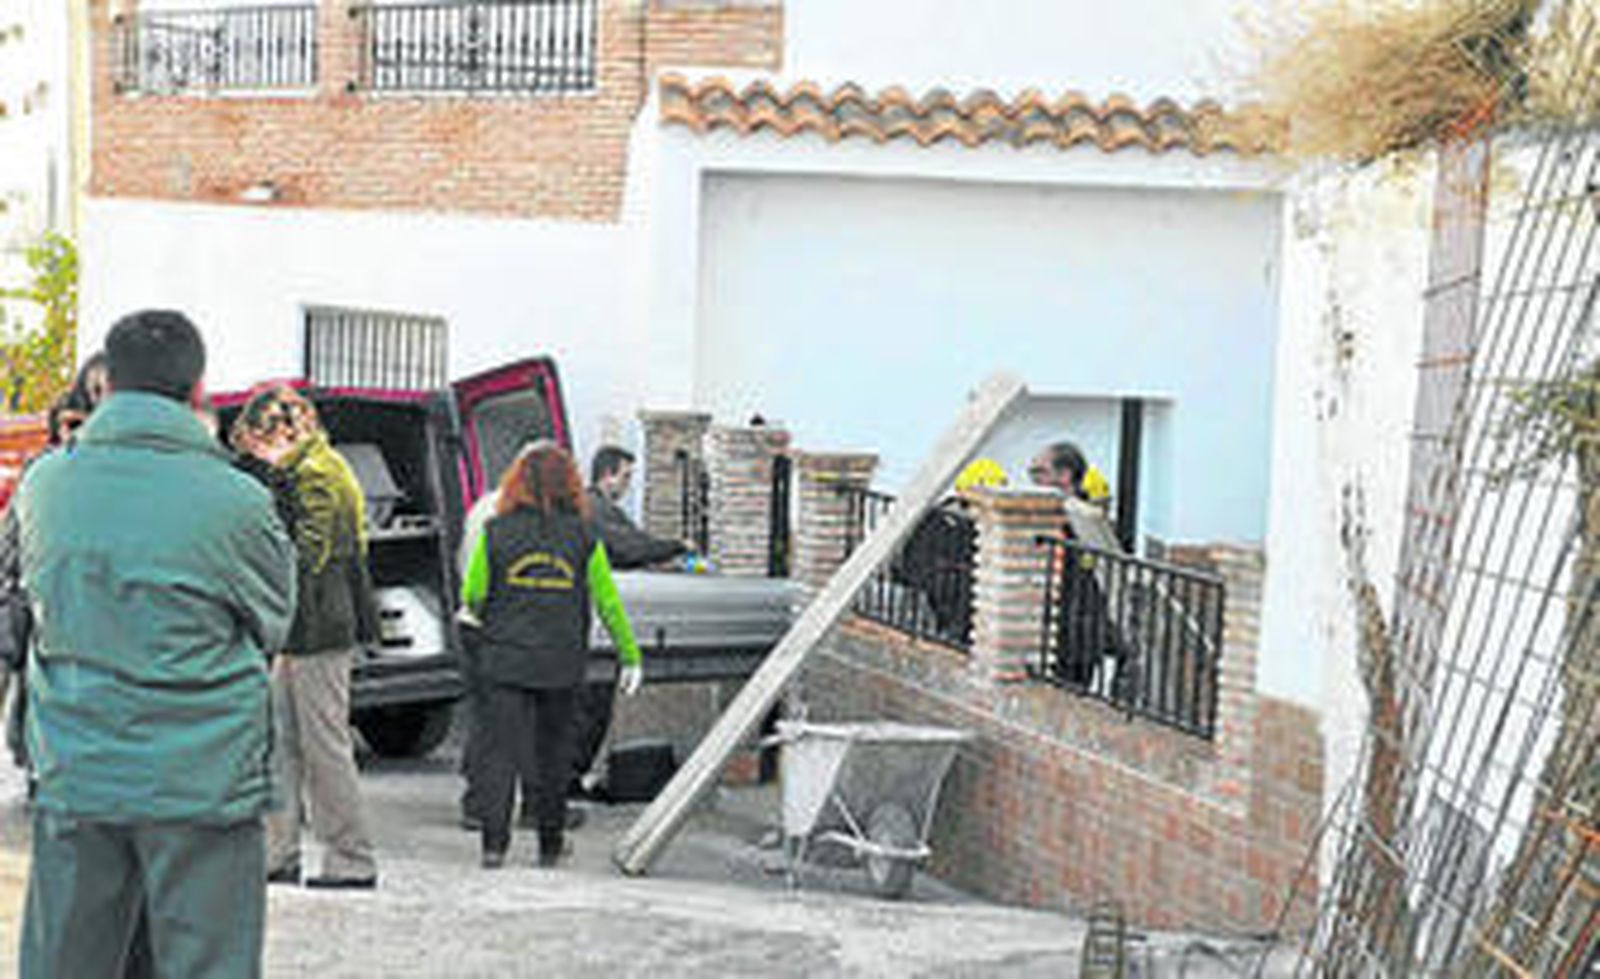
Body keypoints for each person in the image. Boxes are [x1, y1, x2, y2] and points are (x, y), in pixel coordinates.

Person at [14, 311, 296, 978]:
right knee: (207, 961)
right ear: (198, 392)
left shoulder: (47, 484)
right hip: (201, 777)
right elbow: (274, 620)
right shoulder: (236, 501)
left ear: (105, 384)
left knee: (65, 960)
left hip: (77, 766)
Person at [460, 441, 643, 868]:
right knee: (553, 755)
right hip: (561, 662)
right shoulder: (584, 535)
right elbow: (607, 601)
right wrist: (629, 656)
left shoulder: (495, 531)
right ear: (570, 485)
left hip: (504, 659)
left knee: (499, 754)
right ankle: (549, 845)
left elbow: (474, 592)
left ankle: (494, 847)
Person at [239, 386, 382, 890]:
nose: (254, 452)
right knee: (280, 740)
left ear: (280, 431)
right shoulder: (307, 469)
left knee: (324, 744)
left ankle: (351, 858)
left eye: (257, 441)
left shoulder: (317, 471)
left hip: (319, 629)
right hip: (299, 629)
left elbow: (310, 554)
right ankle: (279, 852)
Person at [1028, 440, 1132, 693]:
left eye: (1039, 472)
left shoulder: (1087, 524)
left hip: (1074, 636)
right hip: (1046, 630)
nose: (1033, 481)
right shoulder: (1044, 517)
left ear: (1064, 476)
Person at [588, 445, 691, 569]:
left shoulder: (607, 509)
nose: (628, 484)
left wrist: (658, 559)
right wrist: (679, 546)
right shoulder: (593, 507)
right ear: (608, 475)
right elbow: (629, 548)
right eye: (626, 476)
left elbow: (639, 539)